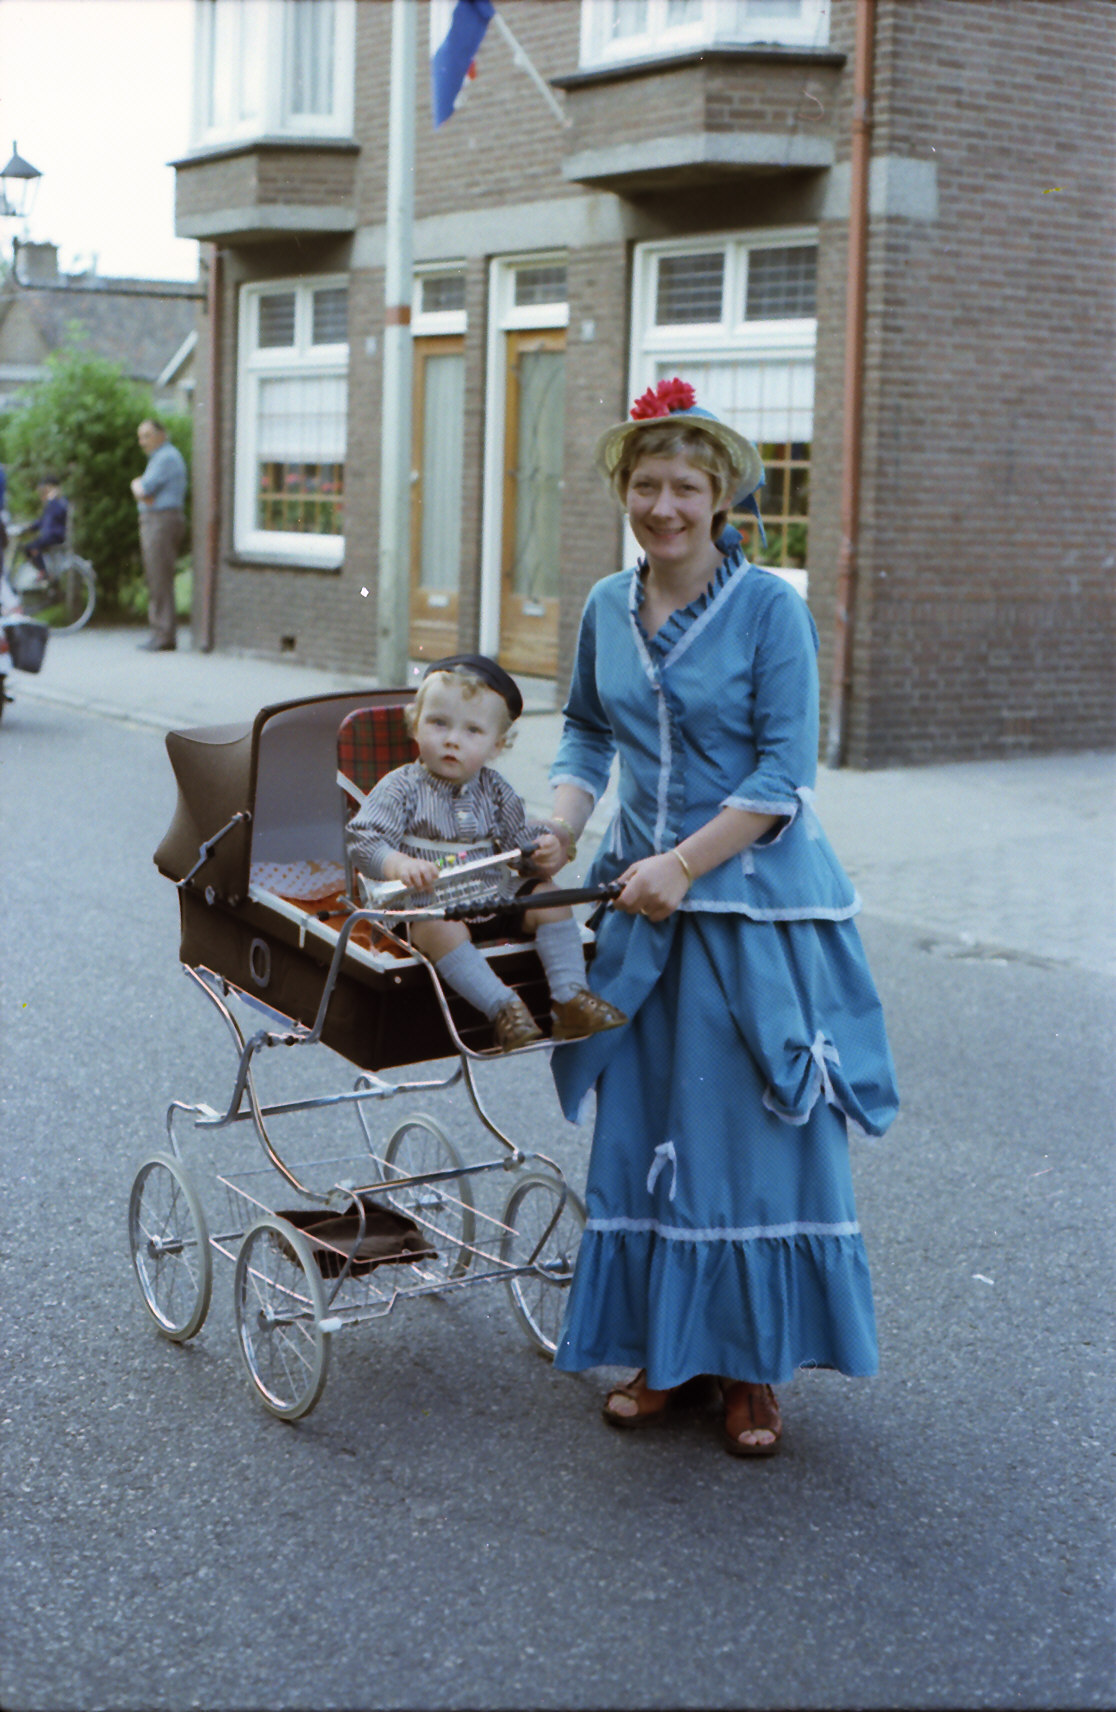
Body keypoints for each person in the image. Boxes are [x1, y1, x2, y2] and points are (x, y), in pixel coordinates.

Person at [545, 378, 899, 1456]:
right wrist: (562, 827)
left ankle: (753, 1369)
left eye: (685, 486)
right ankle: (671, 1348)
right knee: (653, 1123)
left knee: (756, 1132)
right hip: (639, 907)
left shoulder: (770, 609)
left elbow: (788, 772)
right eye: (645, 483)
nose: (664, 505)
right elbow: (582, 730)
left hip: (751, 905)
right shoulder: (609, 602)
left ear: (722, 494)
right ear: (624, 490)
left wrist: (684, 863)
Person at [346, 654, 628, 1052]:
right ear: (415, 724)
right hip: (430, 904)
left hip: (494, 897)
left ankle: (569, 997)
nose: (452, 739)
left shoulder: (495, 790)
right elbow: (364, 838)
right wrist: (398, 864)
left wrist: (539, 849)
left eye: (472, 731)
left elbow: (519, 844)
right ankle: (504, 1009)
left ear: (496, 746)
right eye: (439, 723)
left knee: (549, 896)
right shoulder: (401, 787)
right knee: (438, 930)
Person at [131, 418, 187, 652]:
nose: (142, 442)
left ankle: (164, 636)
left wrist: (136, 485)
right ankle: (160, 633)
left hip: (160, 522)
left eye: (147, 435)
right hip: (157, 520)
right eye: (140, 437)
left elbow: (144, 489)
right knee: (157, 577)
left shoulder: (165, 458)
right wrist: (142, 492)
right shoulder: (161, 457)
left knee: (159, 578)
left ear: (161, 434)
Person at [19, 475, 68, 571]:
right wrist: (29, 527)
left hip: (55, 535)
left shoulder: (59, 501)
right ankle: (43, 571)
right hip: (49, 535)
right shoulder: (51, 503)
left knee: (33, 546)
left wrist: (52, 499)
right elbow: (42, 521)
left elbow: (57, 515)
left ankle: (43, 573)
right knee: (27, 548)